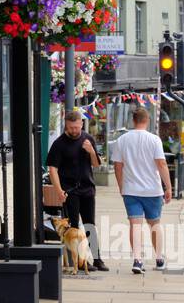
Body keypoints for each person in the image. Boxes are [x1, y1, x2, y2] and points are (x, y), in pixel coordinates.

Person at [110, 106, 172, 274]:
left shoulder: (121, 140)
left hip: (131, 190)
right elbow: (161, 164)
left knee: (135, 225)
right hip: (153, 190)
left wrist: (121, 186)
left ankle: (137, 260)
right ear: (147, 120)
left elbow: (117, 166)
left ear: (133, 121)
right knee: (155, 224)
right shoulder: (154, 140)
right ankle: (159, 258)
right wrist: (168, 187)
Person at [46, 108, 109, 272]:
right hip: (69, 191)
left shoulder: (88, 139)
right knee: (73, 227)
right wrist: (59, 191)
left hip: (87, 188)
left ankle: (97, 259)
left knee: (90, 225)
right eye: (71, 127)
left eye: (77, 127)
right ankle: (81, 262)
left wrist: (91, 152)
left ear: (82, 123)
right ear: (66, 125)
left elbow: (96, 165)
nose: (74, 131)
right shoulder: (59, 143)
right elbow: (52, 168)